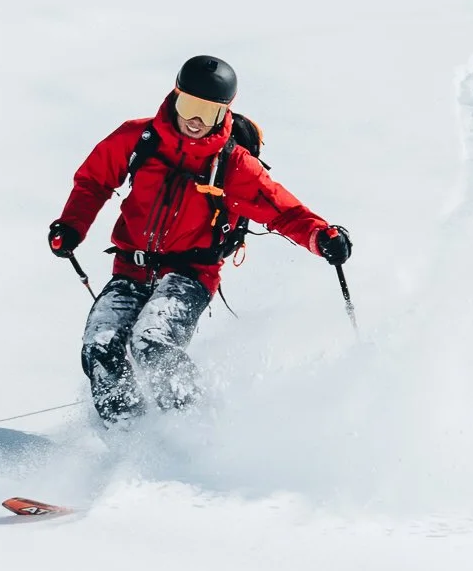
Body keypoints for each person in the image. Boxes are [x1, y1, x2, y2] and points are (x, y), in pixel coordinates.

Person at [49, 55, 353, 422]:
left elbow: (283, 211)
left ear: (223, 112)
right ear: (175, 97)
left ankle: (192, 427)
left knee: (152, 341)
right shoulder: (138, 139)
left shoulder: (233, 164)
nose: (195, 119)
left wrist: (322, 236)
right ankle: (127, 434)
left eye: (207, 112)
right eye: (190, 105)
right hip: (132, 266)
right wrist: (71, 226)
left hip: (190, 273)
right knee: (100, 343)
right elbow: (93, 182)